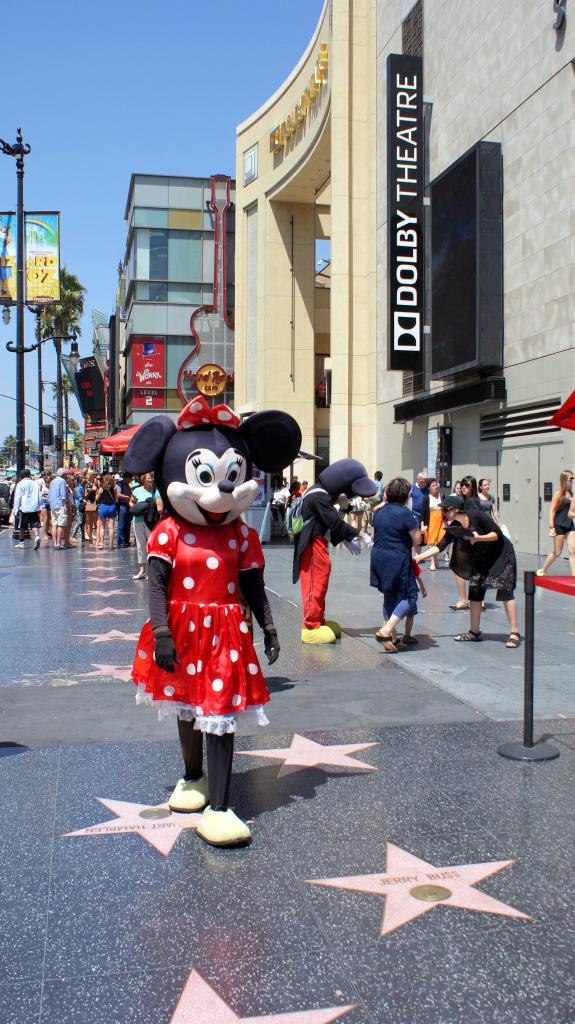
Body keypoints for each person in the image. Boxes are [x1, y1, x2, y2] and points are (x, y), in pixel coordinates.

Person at [124, 395, 301, 847]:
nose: (222, 491)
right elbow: (156, 585)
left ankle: (219, 808)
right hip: (180, 630)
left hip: (225, 633)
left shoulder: (240, 534)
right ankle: (193, 777)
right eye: (205, 476)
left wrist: (269, 626)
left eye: (231, 477)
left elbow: (253, 584)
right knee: (186, 706)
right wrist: (161, 632)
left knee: (220, 713)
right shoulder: (168, 532)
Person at [416, 494, 520, 648]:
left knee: (505, 590)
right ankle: (474, 632)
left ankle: (514, 633)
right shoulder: (455, 526)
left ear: (456, 509)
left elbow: (497, 534)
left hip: (501, 555)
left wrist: (478, 538)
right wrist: (419, 557)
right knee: (475, 591)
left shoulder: (477, 516)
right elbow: (441, 545)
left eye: (446, 509)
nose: (444, 513)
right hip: (482, 557)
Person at [292, 459, 376, 644]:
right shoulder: (319, 496)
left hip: (317, 542)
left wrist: (344, 537)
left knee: (320, 580)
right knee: (314, 582)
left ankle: (319, 620)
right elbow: (334, 522)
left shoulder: (318, 492)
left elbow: (327, 523)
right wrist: (360, 533)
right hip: (311, 545)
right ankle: (310, 626)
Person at [370, 477, 421, 652]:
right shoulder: (405, 513)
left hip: (378, 556)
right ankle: (385, 631)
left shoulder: (379, 512)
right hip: (397, 557)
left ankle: (392, 638)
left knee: (389, 594)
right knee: (410, 597)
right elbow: (417, 540)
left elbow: (374, 536)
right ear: (405, 496)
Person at [537, 469, 575, 577]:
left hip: (570, 525)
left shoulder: (572, 494)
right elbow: (552, 510)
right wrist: (552, 526)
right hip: (559, 525)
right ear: (564, 480)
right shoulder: (558, 494)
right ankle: (543, 569)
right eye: (571, 478)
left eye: (573, 478)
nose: (572, 480)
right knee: (557, 552)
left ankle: (574, 577)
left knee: (573, 551)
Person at [129, 472, 163, 580]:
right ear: (143, 478)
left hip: (151, 522)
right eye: (148, 478)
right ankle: (142, 571)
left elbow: (160, 508)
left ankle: (150, 571)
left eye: (152, 478)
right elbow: (131, 502)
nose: (150, 480)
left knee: (151, 546)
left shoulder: (156, 491)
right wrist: (137, 508)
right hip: (137, 521)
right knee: (140, 546)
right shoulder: (137, 490)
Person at [12, 470, 42, 550]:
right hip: (33, 507)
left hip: (24, 507)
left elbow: (17, 498)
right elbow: (39, 496)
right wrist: (39, 507)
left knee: (22, 526)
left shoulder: (20, 484)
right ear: (29, 475)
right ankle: (37, 536)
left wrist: (16, 509)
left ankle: (21, 543)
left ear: (21, 476)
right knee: (34, 524)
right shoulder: (35, 483)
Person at [420, 478, 445, 570]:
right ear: (429, 488)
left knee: (440, 541)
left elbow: (446, 509)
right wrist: (422, 525)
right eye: (433, 485)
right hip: (430, 522)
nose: (435, 487)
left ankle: (435, 559)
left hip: (441, 522)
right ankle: (433, 562)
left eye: (436, 485)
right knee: (431, 543)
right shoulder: (426, 498)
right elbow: (423, 513)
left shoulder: (442, 496)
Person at [48, 469, 69, 549]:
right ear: (63, 474)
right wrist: (65, 505)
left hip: (53, 505)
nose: (66, 476)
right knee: (61, 524)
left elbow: (49, 494)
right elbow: (63, 494)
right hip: (60, 505)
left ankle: (55, 543)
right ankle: (58, 543)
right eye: (66, 474)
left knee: (54, 524)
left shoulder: (52, 481)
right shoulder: (62, 481)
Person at [96, 473, 117, 549]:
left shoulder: (101, 488)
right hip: (112, 507)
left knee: (102, 527)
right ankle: (111, 545)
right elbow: (116, 499)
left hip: (103, 507)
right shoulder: (114, 488)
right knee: (111, 527)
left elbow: (97, 498)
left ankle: (101, 544)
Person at [116, 471, 133, 547]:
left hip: (128, 506)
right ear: (126, 478)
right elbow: (118, 495)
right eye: (130, 479)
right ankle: (120, 541)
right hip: (122, 506)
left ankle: (126, 540)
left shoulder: (128, 486)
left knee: (127, 525)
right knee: (122, 525)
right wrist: (128, 497)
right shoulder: (120, 484)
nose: (130, 480)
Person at [84, 476, 98, 543]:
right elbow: (85, 496)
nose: (96, 480)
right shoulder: (87, 486)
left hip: (96, 504)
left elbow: (97, 496)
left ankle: (98, 537)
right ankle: (90, 538)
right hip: (89, 504)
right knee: (89, 522)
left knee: (96, 522)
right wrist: (90, 491)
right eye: (95, 478)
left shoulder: (98, 486)